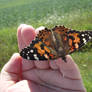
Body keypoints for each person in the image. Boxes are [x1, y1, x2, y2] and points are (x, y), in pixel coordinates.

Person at [0, 24, 86, 92]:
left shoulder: (51, 55)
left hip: (53, 38)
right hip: (60, 37)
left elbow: (39, 50)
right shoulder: (56, 54)